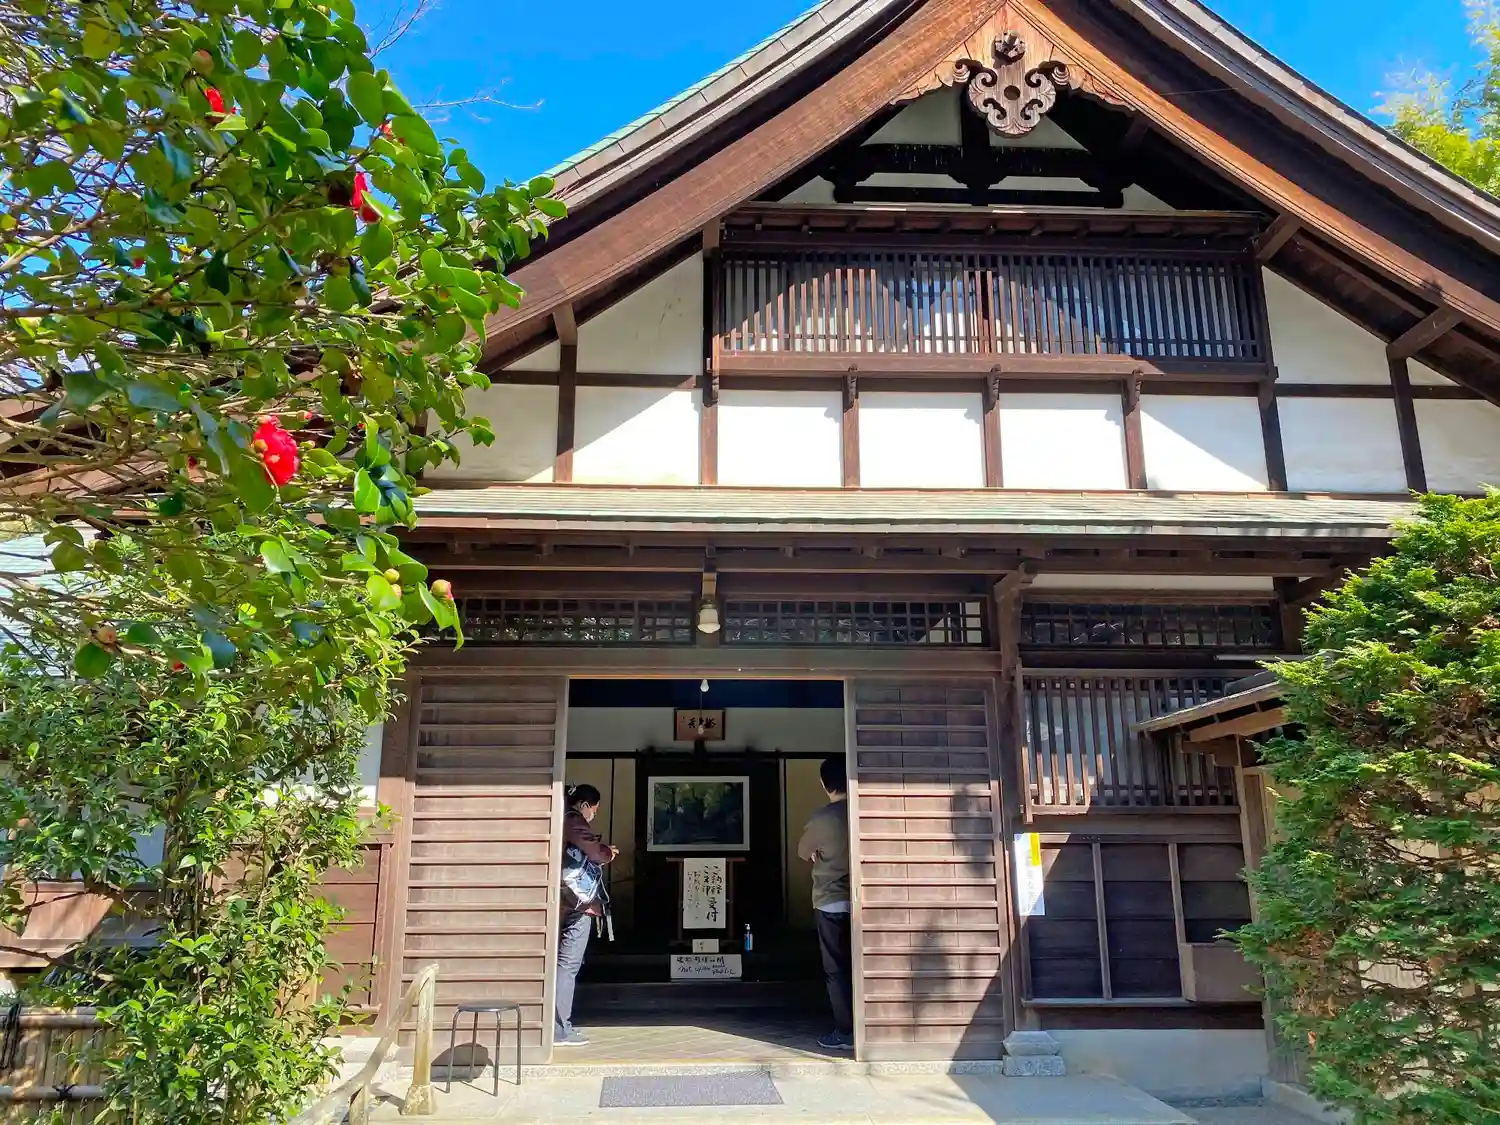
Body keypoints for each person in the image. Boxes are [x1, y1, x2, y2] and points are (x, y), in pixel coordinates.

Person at [796, 756, 852, 1052]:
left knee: (837, 969)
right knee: (864, 965)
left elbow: (803, 851)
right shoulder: (865, 811)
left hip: (830, 901)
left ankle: (846, 1031)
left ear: (824, 784)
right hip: (864, 900)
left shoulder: (823, 818)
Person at [556, 783, 617, 1047]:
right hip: (575, 902)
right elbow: (594, 851)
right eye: (594, 809)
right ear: (584, 805)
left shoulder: (558, 815)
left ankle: (557, 1025)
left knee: (561, 963)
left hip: (562, 900)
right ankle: (560, 1029)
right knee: (568, 963)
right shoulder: (573, 820)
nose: (593, 814)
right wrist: (608, 853)